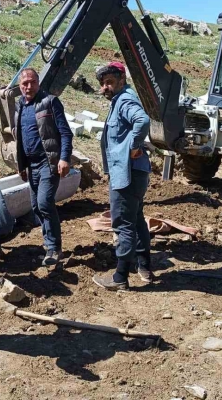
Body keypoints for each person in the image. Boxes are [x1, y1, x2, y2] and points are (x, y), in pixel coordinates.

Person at [92, 61, 153, 291]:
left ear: (121, 80)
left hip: (127, 172)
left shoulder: (125, 100)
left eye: (109, 82)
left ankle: (119, 278)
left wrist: (135, 146)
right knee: (136, 218)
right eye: (102, 84)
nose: (105, 87)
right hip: (135, 172)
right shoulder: (121, 100)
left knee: (123, 223)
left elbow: (143, 120)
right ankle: (145, 267)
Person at [13, 68, 73, 266]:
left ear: (38, 83)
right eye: (25, 83)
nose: (29, 87)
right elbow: (20, 138)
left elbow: (65, 133)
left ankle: (55, 248)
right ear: (20, 86)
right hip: (31, 166)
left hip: (49, 162)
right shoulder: (20, 105)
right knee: (36, 206)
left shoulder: (50, 102)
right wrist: (21, 165)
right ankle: (49, 246)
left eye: (32, 82)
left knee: (45, 203)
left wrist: (64, 158)